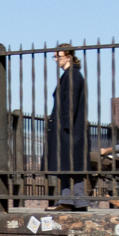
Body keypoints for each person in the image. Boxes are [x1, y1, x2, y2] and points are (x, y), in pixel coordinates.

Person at [45, 44, 89, 208]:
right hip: (69, 128)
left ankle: (68, 200)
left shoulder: (72, 75)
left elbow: (70, 103)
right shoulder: (72, 75)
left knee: (66, 164)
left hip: (67, 129)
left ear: (69, 56)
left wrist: (64, 125)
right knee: (70, 165)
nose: (56, 59)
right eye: (55, 56)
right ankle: (78, 201)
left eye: (59, 56)